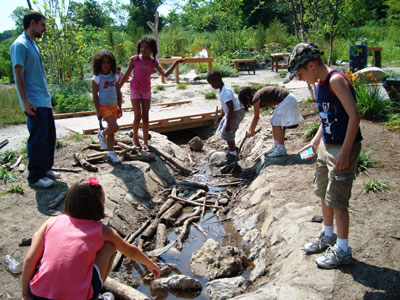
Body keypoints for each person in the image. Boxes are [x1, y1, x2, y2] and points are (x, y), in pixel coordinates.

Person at [286, 42, 362, 269]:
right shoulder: (319, 84)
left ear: (311, 65)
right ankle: (327, 235)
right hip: (326, 146)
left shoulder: (335, 81)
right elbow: (325, 117)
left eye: (300, 74)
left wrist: (345, 151)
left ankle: (343, 249)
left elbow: (355, 117)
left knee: (337, 200)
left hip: (342, 148)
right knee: (323, 191)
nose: (300, 79)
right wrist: (313, 142)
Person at [21, 178, 160, 300]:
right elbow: (131, 251)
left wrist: (25, 295)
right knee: (110, 246)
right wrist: (150, 264)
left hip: (38, 294)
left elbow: (29, 259)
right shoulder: (103, 231)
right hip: (78, 297)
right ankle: (95, 295)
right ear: (97, 206)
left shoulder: (51, 222)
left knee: (42, 247)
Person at [10, 11, 60, 188]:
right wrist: (25, 101)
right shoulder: (20, 45)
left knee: (48, 138)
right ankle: (35, 176)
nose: (44, 29)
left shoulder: (32, 44)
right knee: (38, 139)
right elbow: (19, 73)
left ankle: (45, 169)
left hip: (43, 99)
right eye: (42, 25)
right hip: (33, 101)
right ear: (32, 23)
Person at [119, 36, 185, 151]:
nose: (143, 50)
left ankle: (145, 142)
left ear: (152, 50)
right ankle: (135, 138)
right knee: (137, 115)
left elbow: (165, 74)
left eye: (146, 48)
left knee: (145, 116)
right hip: (134, 89)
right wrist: (117, 88)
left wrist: (176, 62)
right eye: (142, 47)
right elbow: (126, 75)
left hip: (146, 91)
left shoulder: (153, 62)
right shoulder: (135, 59)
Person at [238, 86, 304, 157]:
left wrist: (251, 131)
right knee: (274, 121)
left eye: (246, 102)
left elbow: (256, 117)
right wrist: (251, 131)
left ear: (247, 97)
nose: (248, 105)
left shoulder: (255, 98)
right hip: (289, 99)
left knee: (276, 122)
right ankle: (276, 145)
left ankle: (281, 149)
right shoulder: (259, 95)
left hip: (287, 100)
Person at [207, 70, 245, 163]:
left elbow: (231, 108)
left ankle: (233, 154)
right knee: (224, 131)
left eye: (211, 83)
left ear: (217, 81)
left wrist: (228, 125)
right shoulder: (224, 87)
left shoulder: (226, 92)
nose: (211, 86)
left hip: (235, 113)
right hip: (233, 112)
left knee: (228, 133)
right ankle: (233, 149)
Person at [92, 49, 122, 163]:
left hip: (114, 106)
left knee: (112, 131)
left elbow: (118, 92)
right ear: (99, 64)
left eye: (108, 62)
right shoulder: (97, 78)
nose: (106, 65)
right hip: (103, 107)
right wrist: (97, 110)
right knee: (114, 127)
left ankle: (111, 152)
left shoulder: (115, 77)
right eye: (103, 62)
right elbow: (95, 96)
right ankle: (101, 133)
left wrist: (120, 107)